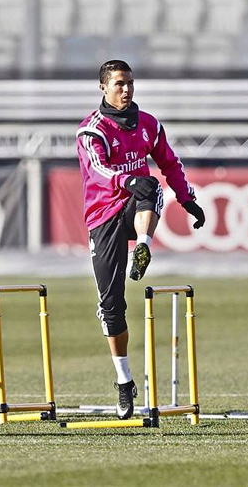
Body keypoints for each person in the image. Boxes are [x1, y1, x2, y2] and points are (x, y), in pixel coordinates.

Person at [76, 60, 205, 420]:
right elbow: (99, 170)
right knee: (110, 307)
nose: (127, 90)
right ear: (103, 87)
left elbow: (169, 163)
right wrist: (127, 180)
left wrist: (188, 198)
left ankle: (144, 244)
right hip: (103, 215)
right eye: (119, 84)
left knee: (151, 187)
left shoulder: (149, 124)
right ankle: (124, 381)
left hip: (138, 206)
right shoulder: (91, 131)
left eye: (130, 83)